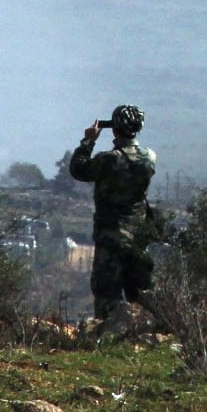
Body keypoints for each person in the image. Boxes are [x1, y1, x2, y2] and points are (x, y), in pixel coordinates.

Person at [69, 104, 158, 320]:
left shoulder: (109, 160)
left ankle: (108, 338)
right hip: (139, 237)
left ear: (115, 129)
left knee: (107, 294)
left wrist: (88, 140)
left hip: (111, 237)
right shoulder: (149, 158)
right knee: (141, 294)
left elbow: (78, 169)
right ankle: (146, 335)